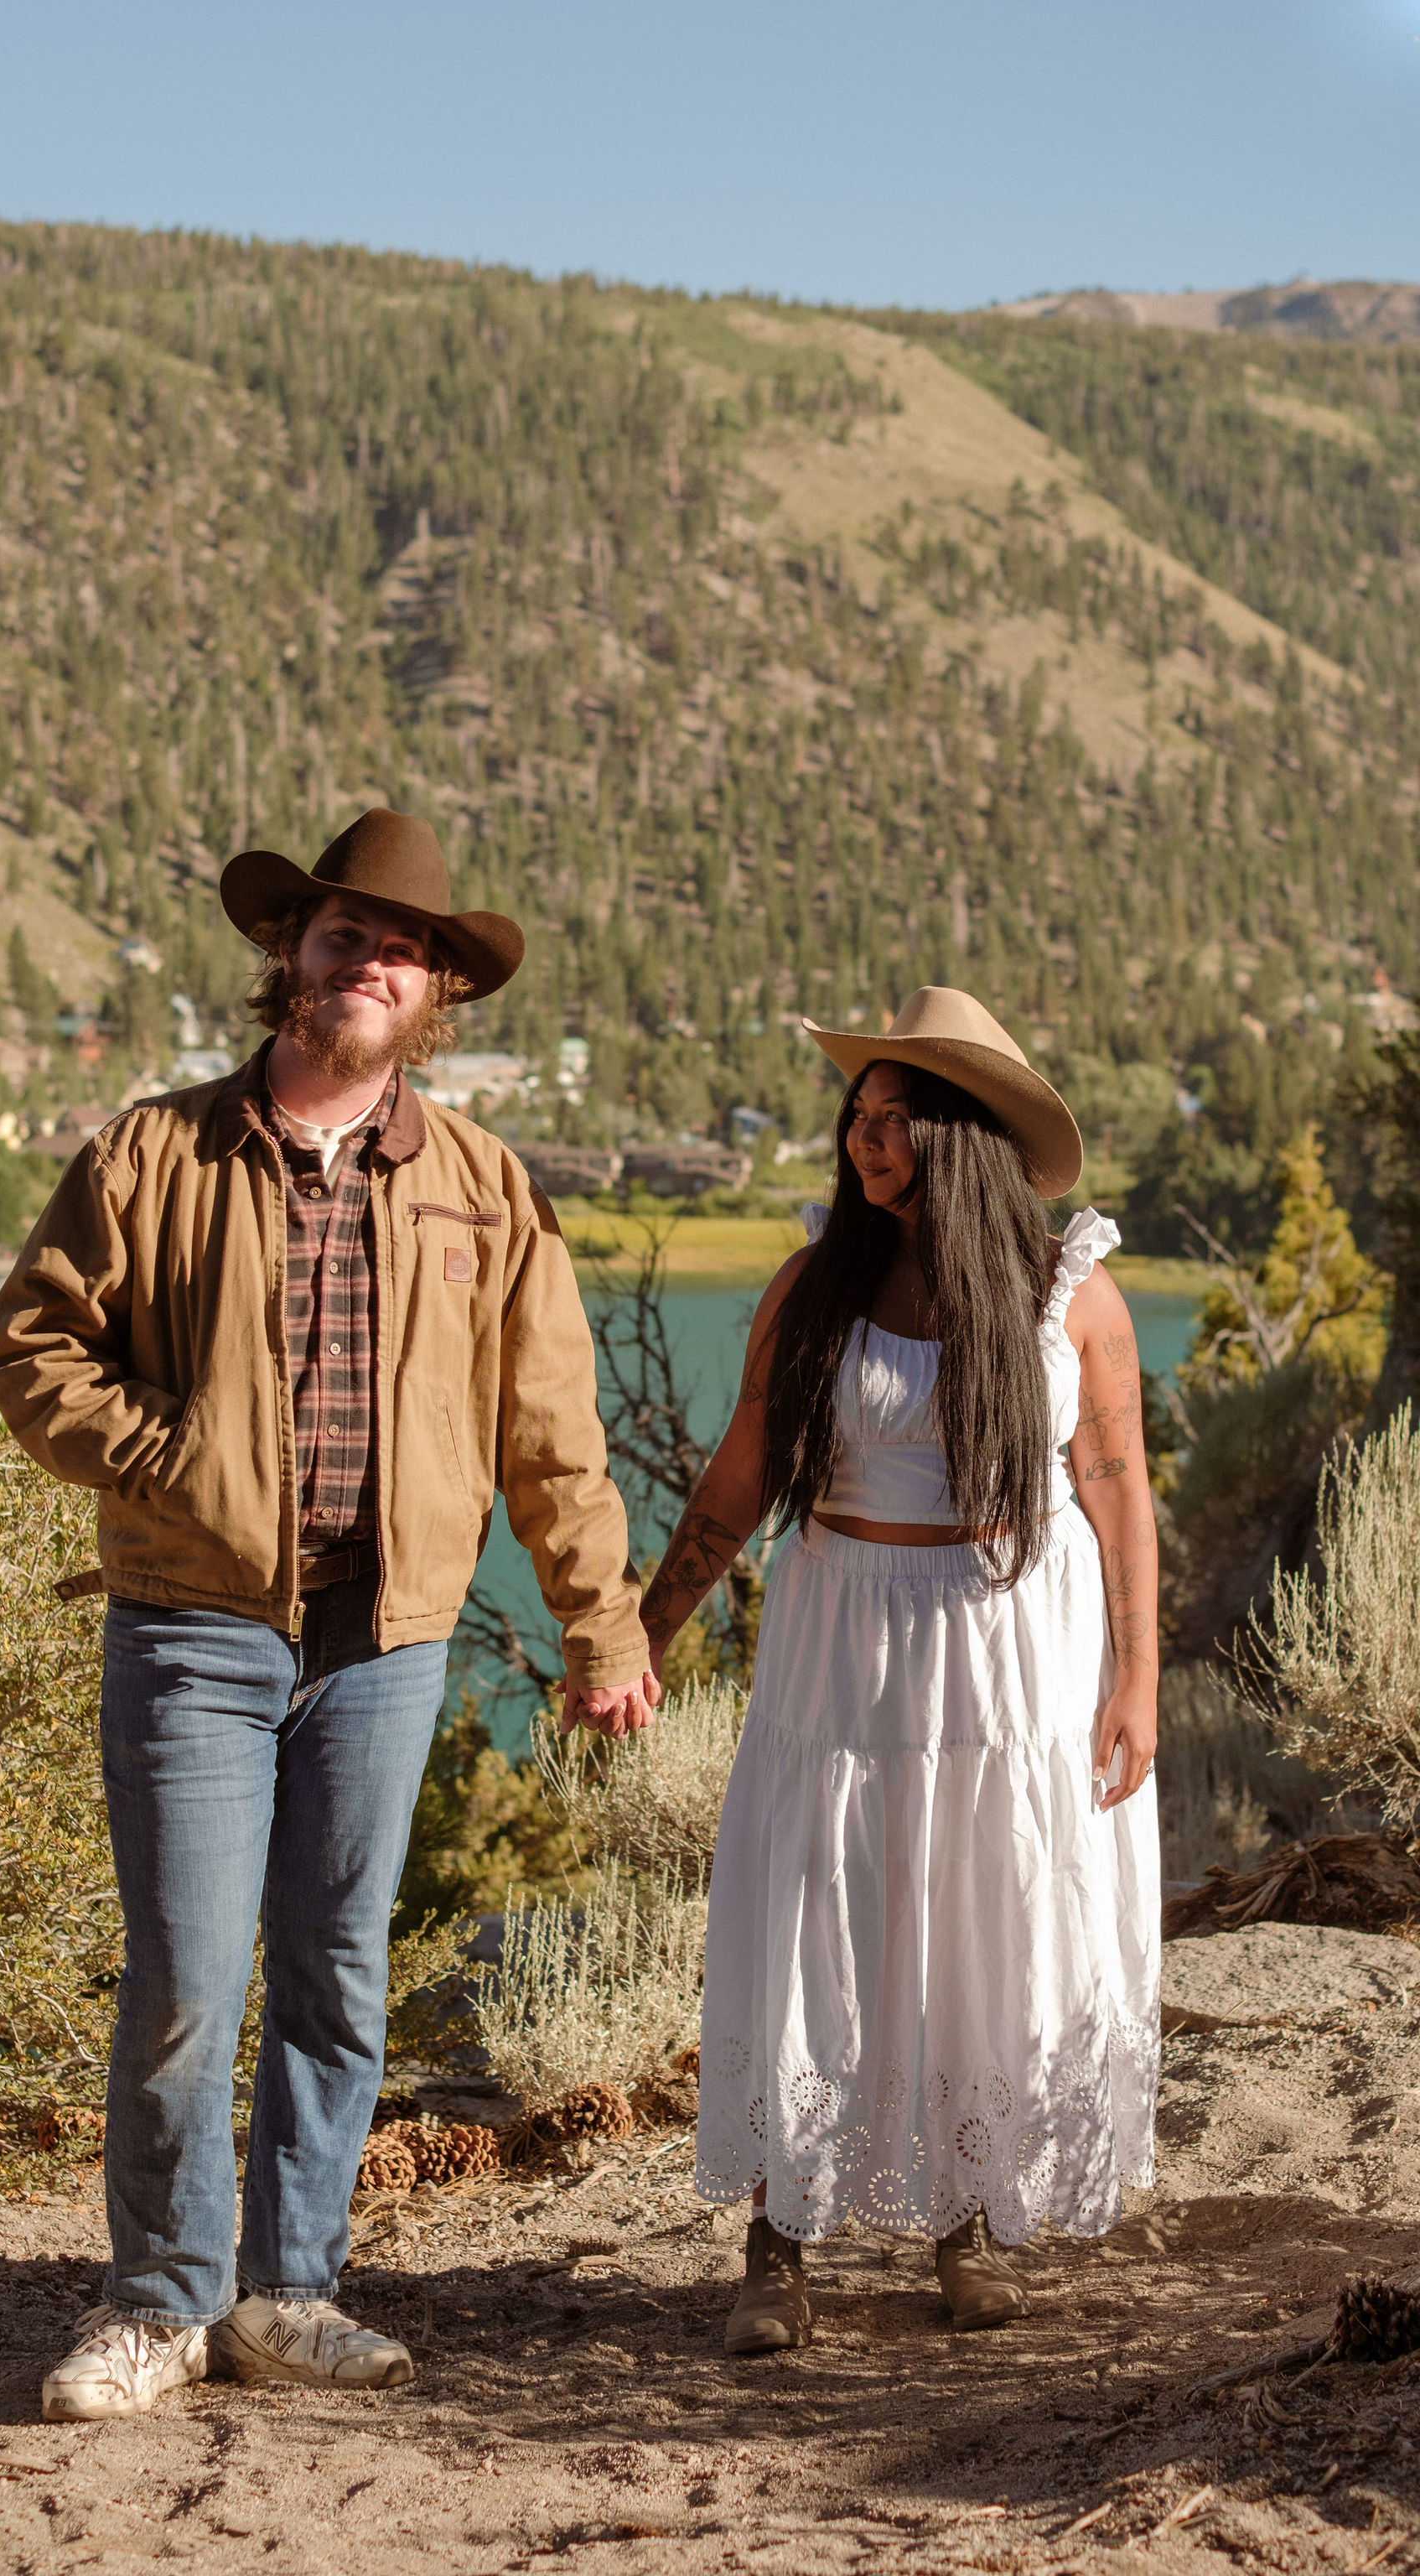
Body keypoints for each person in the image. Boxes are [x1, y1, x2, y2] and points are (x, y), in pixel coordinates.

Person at [0, 808, 656, 2421]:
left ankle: (289, 2290)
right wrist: (174, 1458)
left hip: (390, 1641)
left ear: (435, 997)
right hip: (193, 1631)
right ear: (290, 955)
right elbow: (29, 1351)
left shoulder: (488, 1190)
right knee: (183, 1979)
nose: (367, 964)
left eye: (400, 948)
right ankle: (158, 2303)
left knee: (335, 1977)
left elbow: (553, 1432)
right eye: (343, 934)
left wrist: (602, 1628)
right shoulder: (154, 1154)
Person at [638, 986, 1159, 2350]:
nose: (865, 1141)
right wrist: (645, 1627)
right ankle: (780, 2237)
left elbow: (1116, 1490)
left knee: (986, 1909)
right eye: (856, 1117)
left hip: (1012, 1649)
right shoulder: (815, 1288)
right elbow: (742, 1477)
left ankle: (972, 2219)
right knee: (817, 1905)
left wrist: (1138, 1678)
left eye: (894, 1119)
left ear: (963, 1133)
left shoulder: (1069, 1296)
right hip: (842, 1637)